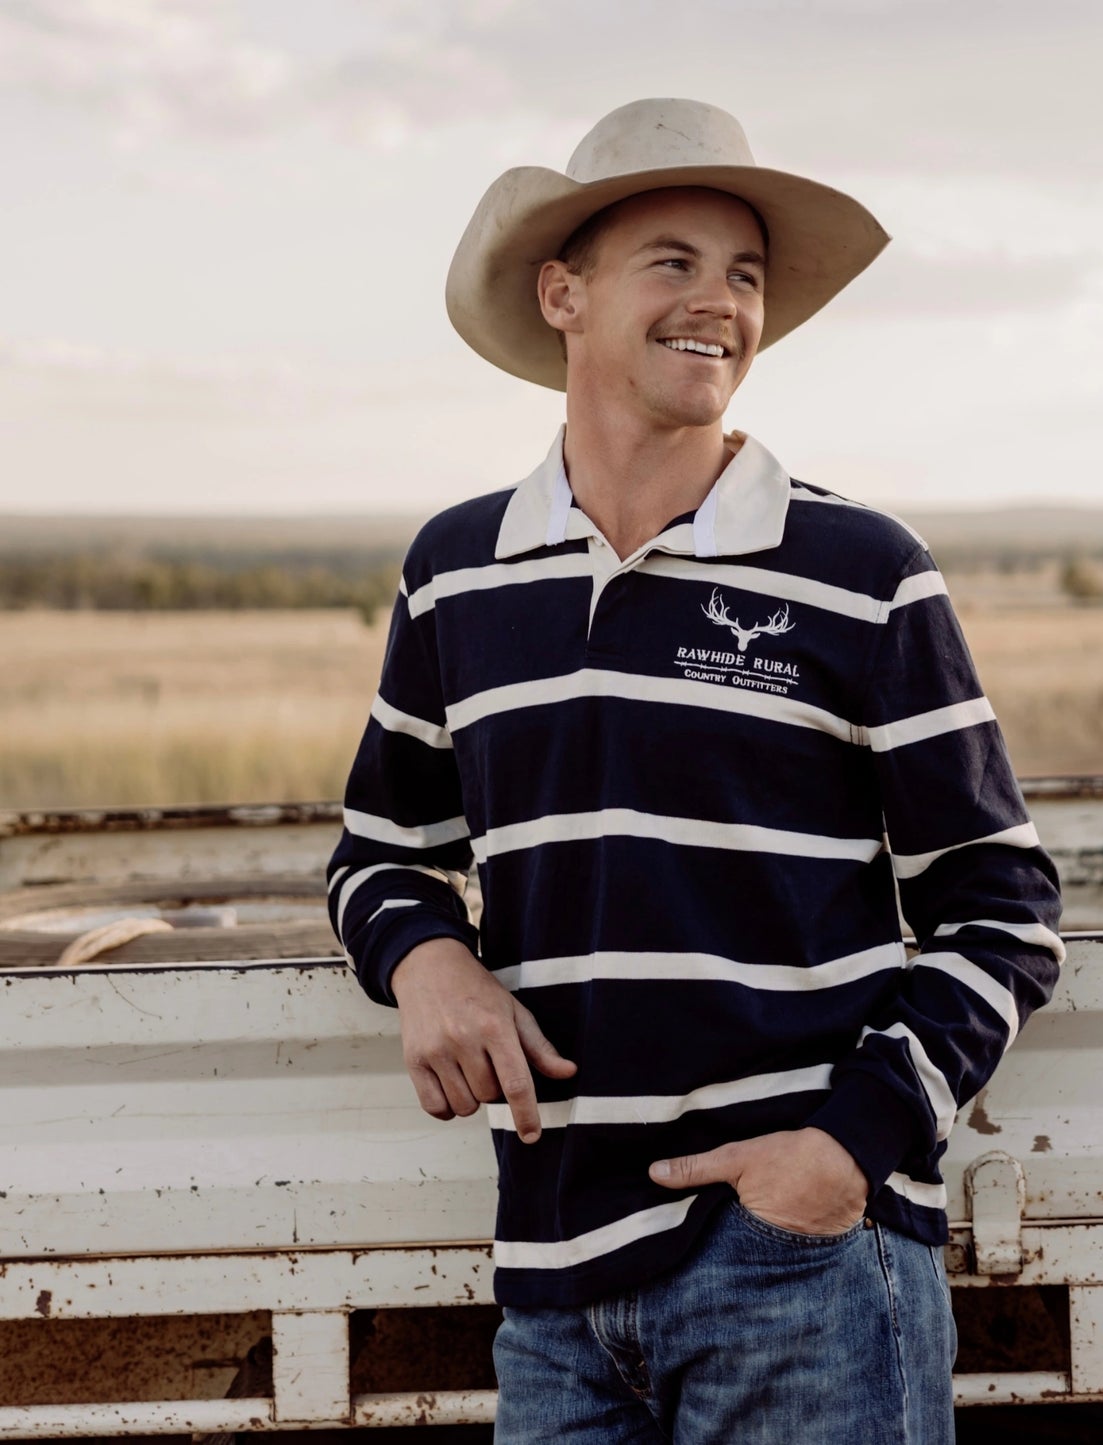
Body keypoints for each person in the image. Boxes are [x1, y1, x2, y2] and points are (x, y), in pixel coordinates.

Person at [326, 97, 1065, 1444]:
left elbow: (1000, 908)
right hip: (552, 1284)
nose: (718, 303)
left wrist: (838, 1153)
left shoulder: (860, 571)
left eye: (744, 275)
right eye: (670, 261)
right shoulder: (457, 571)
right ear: (563, 292)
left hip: (799, 1267)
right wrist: (426, 959)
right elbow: (380, 850)